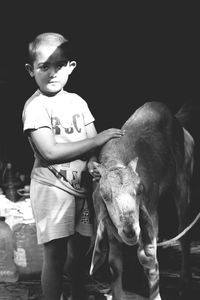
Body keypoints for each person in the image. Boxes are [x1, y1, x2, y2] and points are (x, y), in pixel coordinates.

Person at [22, 32, 125, 300]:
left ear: (71, 67)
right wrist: (99, 138)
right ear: (30, 70)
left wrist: (92, 161)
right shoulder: (36, 107)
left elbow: (91, 145)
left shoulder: (78, 102)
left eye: (60, 65)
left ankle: (78, 294)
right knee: (54, 255)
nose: (52, 72)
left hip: (81, 189)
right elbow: (49, 151)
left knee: (80, 251)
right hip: (51, 188)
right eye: (44, 66)